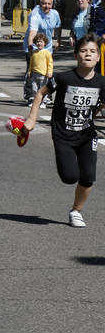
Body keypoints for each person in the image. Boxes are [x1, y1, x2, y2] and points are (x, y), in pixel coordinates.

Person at [23, 33, 105, 228]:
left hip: (87, 135)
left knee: (88, 176)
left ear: (99, 57)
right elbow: (41, 93)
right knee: (70, 177)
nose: (88, 55)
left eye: (92, 51)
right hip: (63, 135)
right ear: (76, 55)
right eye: (83, 51)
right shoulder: (64, 78)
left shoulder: (102, 83)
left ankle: (76, 211)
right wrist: (31, 120)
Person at [23, 0, 61, 100]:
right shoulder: (35, 15)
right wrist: (31, 46)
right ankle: (30, 94)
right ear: (40, 4)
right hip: (34, 46)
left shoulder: (55, 14)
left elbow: (58, 27)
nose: (46, 6)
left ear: (52, 5)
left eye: (49, 4)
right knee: (33, 70)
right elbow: (32, 32)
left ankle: (46, 94)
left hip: (47, 47)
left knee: (47, 70)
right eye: (44, 3)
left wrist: (58, 40)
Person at [26, 33, 53, 108]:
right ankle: (36, 102)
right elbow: (31, 63)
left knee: (43, 89)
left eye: (41, 41)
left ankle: (43, 102)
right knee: (34, 89)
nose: (39, 43)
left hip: (43, 75)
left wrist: (49, 72)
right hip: (34, 74)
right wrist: (29, 71)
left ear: (45, 43)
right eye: (37, 41)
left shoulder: (47, 53)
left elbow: (50, 63)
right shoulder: (34, 53)